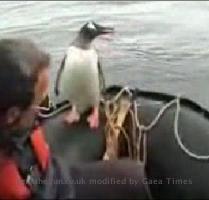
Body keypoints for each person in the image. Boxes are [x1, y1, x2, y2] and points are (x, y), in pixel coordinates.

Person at [0, 38, 151, 199]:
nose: (45, 111)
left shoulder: (19, 128)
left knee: (131, 177)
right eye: (40, 102)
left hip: (57, 178)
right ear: (12, 115)